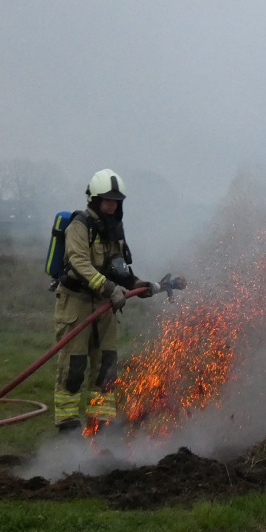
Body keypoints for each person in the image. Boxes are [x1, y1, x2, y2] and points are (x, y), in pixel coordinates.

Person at [53, 169, 159, 433]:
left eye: (116, 201)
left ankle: (100, 425)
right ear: (94, 200)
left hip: (105, 306)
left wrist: (136, 285)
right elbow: (78, 262)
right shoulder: (80, 226)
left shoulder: (115, 229)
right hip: (76, 303)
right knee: (74, 367)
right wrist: (109, 288)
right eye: (107, 200)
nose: (111, 205)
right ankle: (68, 426)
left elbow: (118, 267)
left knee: (107, 367)